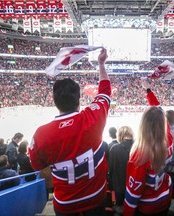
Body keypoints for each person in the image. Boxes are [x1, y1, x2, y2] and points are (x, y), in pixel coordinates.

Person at [29, 48, 111, 216]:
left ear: (55, 101)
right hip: (96, 198)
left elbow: (40, 168)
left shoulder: (40, 135)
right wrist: (101, 64)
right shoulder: (92, 118)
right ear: (79, 99)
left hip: (65, 204)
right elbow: (105, 91)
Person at [124, 79, 173, 216]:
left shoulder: (140, 155)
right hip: (164, 199)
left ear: (142, 125)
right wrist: (148, 90)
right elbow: (160, 112)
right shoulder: (168, 140)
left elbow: (133, 193)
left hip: (147, 207)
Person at [108, 126, 134, 210]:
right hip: (135, 186)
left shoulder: (114, 149)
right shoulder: (139, 147)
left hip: (119, 187)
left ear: (119, 135)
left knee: (120, 209)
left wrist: (111, 186)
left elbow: (110, 170)